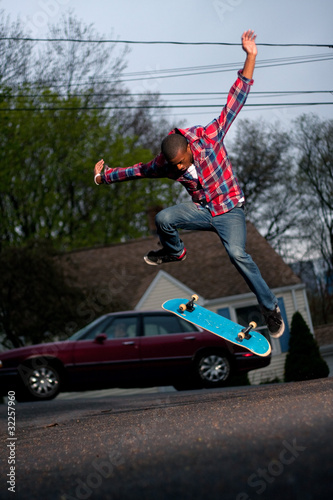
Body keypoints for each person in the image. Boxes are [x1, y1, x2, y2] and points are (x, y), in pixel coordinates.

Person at [93, 30, 285, 339]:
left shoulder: (209, 138)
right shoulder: (164, 164)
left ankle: (269, 307)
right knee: (163, 219)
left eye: (182, 163)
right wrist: (105, 175)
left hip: (229, 210)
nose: (180, 169)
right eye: (175, 167)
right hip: (201, 210)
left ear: (190, 150)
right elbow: (138, 170)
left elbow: (235, 100)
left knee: (238, 255)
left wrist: (250, 56)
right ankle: (175, 252)